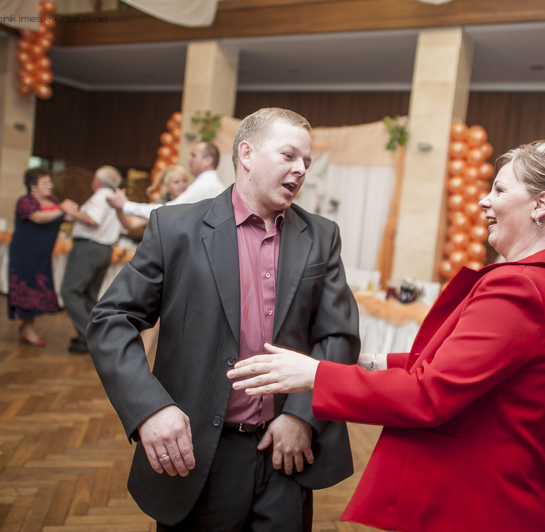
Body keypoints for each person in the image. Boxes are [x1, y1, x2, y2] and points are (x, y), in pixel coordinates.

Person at [228, 139, 545, 531]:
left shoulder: (520, 286)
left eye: (500, 190)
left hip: (483, 504)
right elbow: (462, 369)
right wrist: (370, 362)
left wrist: (315, 375)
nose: (484, 201)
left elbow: (428, 394)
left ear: (541, 205)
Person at [87, 107, 360, 531]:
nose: (301, 169)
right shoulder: (175, 228)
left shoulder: (321, 236)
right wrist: (149, 409)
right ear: (246, 154)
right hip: (196, 452)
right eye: (289, 155)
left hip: (286, 451)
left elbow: (338, 334)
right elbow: (111, 319)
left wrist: (301, 415)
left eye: (306, 161)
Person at [8, 168, 76, 346]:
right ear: (32, 186)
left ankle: (26, 327)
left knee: (39, 287)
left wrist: (73, 211)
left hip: (43, 255)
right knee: (27, 287)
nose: (49, 185)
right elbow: (38, 218)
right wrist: (62, 209)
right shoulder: (25, 202)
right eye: (44, 182)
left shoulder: (53, 201)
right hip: (25, 254)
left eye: (50, 182)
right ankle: (27, 328)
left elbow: (67, 217)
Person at [60, 166, 123, 354]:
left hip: (88, 248)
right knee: (89, 296)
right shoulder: (113, 198)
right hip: (105, 249)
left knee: (70, 292)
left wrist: (71, 211)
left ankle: (89, 336)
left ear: (98, 180)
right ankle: (93, 335)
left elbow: (93, 220)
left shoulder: (100, 196)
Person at [107, 142, 224, 218]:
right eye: (176, 182)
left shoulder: (205, 185)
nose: (189, 158)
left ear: (208, 160)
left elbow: (168, 212)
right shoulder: (209, 183)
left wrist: (126, 205)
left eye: (193, 155)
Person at [116, 165, 191, 238]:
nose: (182, 185)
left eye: (184, 181)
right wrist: (119, 207)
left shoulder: (191, 202)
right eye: (176, 182)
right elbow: (131, 224)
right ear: (166, 186)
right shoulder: (159, 204)